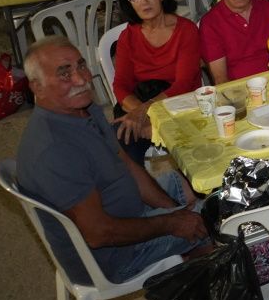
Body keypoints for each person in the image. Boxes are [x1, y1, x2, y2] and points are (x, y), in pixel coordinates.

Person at [16, 37, 208, 286]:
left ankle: (191, 255)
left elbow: (126, 164)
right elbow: (98, 234)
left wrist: (174, 212)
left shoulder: (83, 109)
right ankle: (201, 288)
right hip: (114, 256)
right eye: (64, 73)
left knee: (197, 180)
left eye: (81, 65)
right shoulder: (55, 150)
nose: (81, 79)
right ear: (37, 87)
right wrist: (171, 222)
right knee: (218, 219)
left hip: (130, 211)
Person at [112, 0, 202, 164]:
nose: (144, 1)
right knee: (119, 137)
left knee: (132, 135)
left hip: (180, 102)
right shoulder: (128, 36)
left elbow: (184, 84)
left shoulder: (185, 30)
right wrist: (141, 113)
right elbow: (120, 85)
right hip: (142, 102)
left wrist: (147, 112)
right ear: (130, 3)